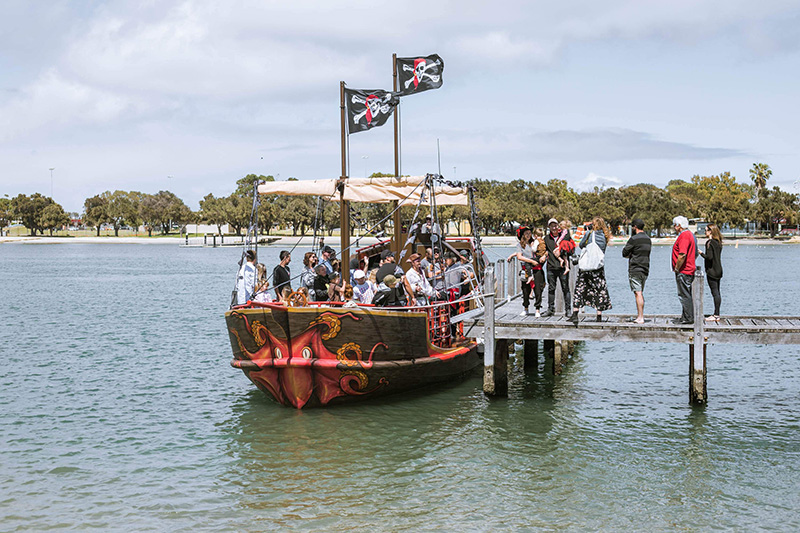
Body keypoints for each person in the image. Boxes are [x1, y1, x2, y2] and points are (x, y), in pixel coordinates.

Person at [569, 217, 613, 325]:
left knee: (580, 288)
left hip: (586, 267)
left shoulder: (589, 234)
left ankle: (575, 314)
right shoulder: (604, 236)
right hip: (598, 268)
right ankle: (599, 315)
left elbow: (580, 245)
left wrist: (587, 231)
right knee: (599, 289)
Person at [621, 218, 652, 324]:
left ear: (635, 227)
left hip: (635, 268)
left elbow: (624, 253)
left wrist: (631, 255)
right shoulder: (648, 239)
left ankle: (640, 317)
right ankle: (640, 315)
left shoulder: (633, 239)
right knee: (640, 292)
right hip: (645, 268)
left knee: (638, 293)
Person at [542, 218, 572, 317]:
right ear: (549, 227)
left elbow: (571, 250)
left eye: (555, 225)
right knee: (551, 289)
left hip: (562, 268)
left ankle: (568, 310)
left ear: (558, 226)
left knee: (565, 288)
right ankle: (550, 309)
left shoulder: (565, 236)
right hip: (551, 267)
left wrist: (562, 252)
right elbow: (544, 251)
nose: (554, 227)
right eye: (552, 226)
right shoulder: (546, 238)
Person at [671, 215, 697, 324]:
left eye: (674, 226)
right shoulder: (690, 235)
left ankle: (688, 318)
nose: (673, 228)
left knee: (684, 295)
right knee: (685, 294)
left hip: (684, 271)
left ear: (679, 226)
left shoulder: (684, 236)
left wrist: (677, 268)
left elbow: (682, 254)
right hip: (687, 269)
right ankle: (685, 316)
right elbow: (695, 253)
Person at [514, 226, 544, 317]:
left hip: (537, 268)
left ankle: (537, 309)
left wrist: (544, 256)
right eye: (526, 233)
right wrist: (531, 261)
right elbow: (519, 256)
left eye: (529, 233)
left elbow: (544, 250)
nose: (528, 235)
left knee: (538, 290)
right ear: (523, 235)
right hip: (526, 269)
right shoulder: (520, 245)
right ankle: (525, 308)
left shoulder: (535, 242)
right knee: (525, 290)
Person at [700, 223, 723, 321]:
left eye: (706, 230)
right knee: (717, 292)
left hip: (712, 271)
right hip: (719, 270)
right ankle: (717, 313)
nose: (704, 232)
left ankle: (716, 315)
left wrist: (700, 253)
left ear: (710, 231)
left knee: (714, 293)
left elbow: (709, 257)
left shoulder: (709, 242)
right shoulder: (718, 242)